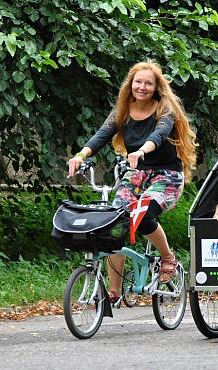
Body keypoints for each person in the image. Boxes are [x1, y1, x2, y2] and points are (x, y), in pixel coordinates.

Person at [68, 60, 196, 302]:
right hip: (137, 174)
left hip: (166, 176)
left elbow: (158, 135)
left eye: (148, 83)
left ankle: (167, 256)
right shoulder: (123, 111)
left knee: (143, 214)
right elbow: (102, 135)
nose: (142, 87)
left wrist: (141, 151)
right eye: (138, 82)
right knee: (114, 220)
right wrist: (80, 155)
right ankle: (114, 292)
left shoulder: (164, 109)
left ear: (156, 87)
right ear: (131, 84)